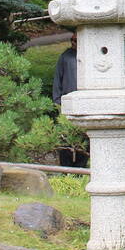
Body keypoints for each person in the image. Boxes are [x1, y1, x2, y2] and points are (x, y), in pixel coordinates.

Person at [51, 35, 84, 167]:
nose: (73, 43)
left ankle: (81, 168)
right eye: (72, 40)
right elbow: (57, 79)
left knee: (83, 139)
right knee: (65, 138)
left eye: (76, 41)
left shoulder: (89, 56)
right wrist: (58, 101)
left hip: (85, 105)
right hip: (67, 104)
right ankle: (65, 168)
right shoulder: (65, 57)